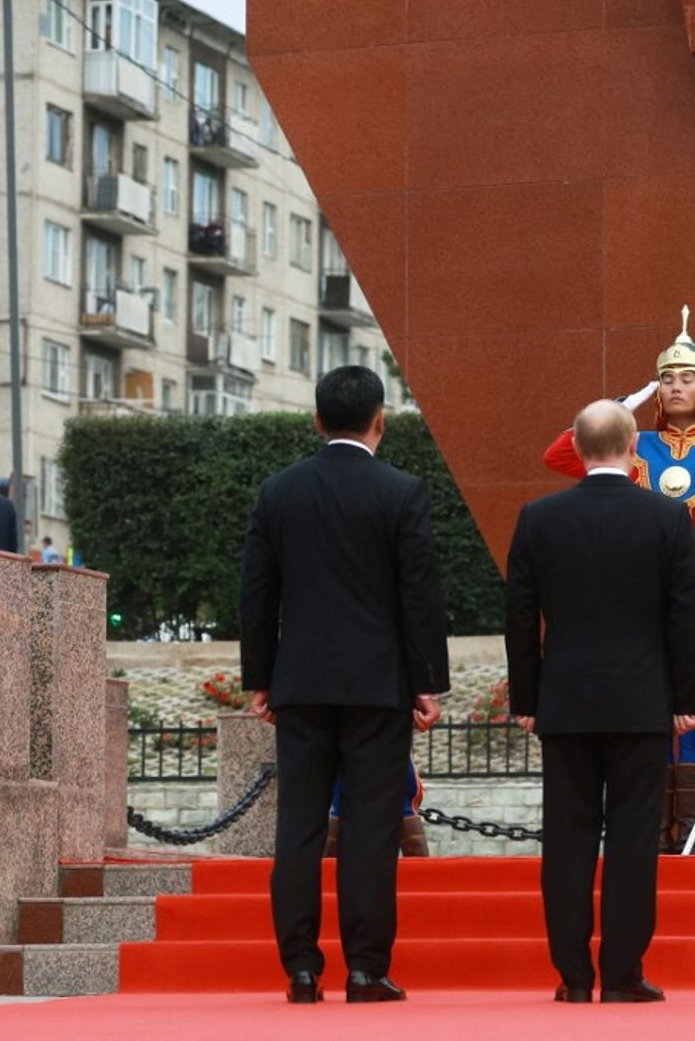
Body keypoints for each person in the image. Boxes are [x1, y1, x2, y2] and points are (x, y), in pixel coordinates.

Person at [240, 365, 449, 1005]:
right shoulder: (402, 491)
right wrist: (426, 684)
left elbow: (257, 592)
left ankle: (301, 970)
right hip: (378, 686)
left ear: (316, 420)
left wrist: (260, 679)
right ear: (380, 420)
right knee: (370, 829)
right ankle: (365, 969)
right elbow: (419, 597)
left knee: (298, 827)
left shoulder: (279, 491)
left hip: (299, 683)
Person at [508, 399, 695, 1004]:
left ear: (578, 448)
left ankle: (572, 976)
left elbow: (519, 618)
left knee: (565, 841)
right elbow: (685, 618)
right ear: (633, 447)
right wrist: (684, 698)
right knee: (632, 840)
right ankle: (623, 973)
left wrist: (527, 699)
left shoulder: (537, 518)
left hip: (565, 704)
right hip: (641, 703)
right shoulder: (667, 518)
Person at [542, 322, 695, 853]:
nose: (674, 388)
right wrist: (621, 405)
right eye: (665, 379)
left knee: (691, 712)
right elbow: (559, 455)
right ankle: (647, 832)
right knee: (647, 717)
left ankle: (685, 836)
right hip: (639, 603)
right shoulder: (633, 443)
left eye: (686, 379)